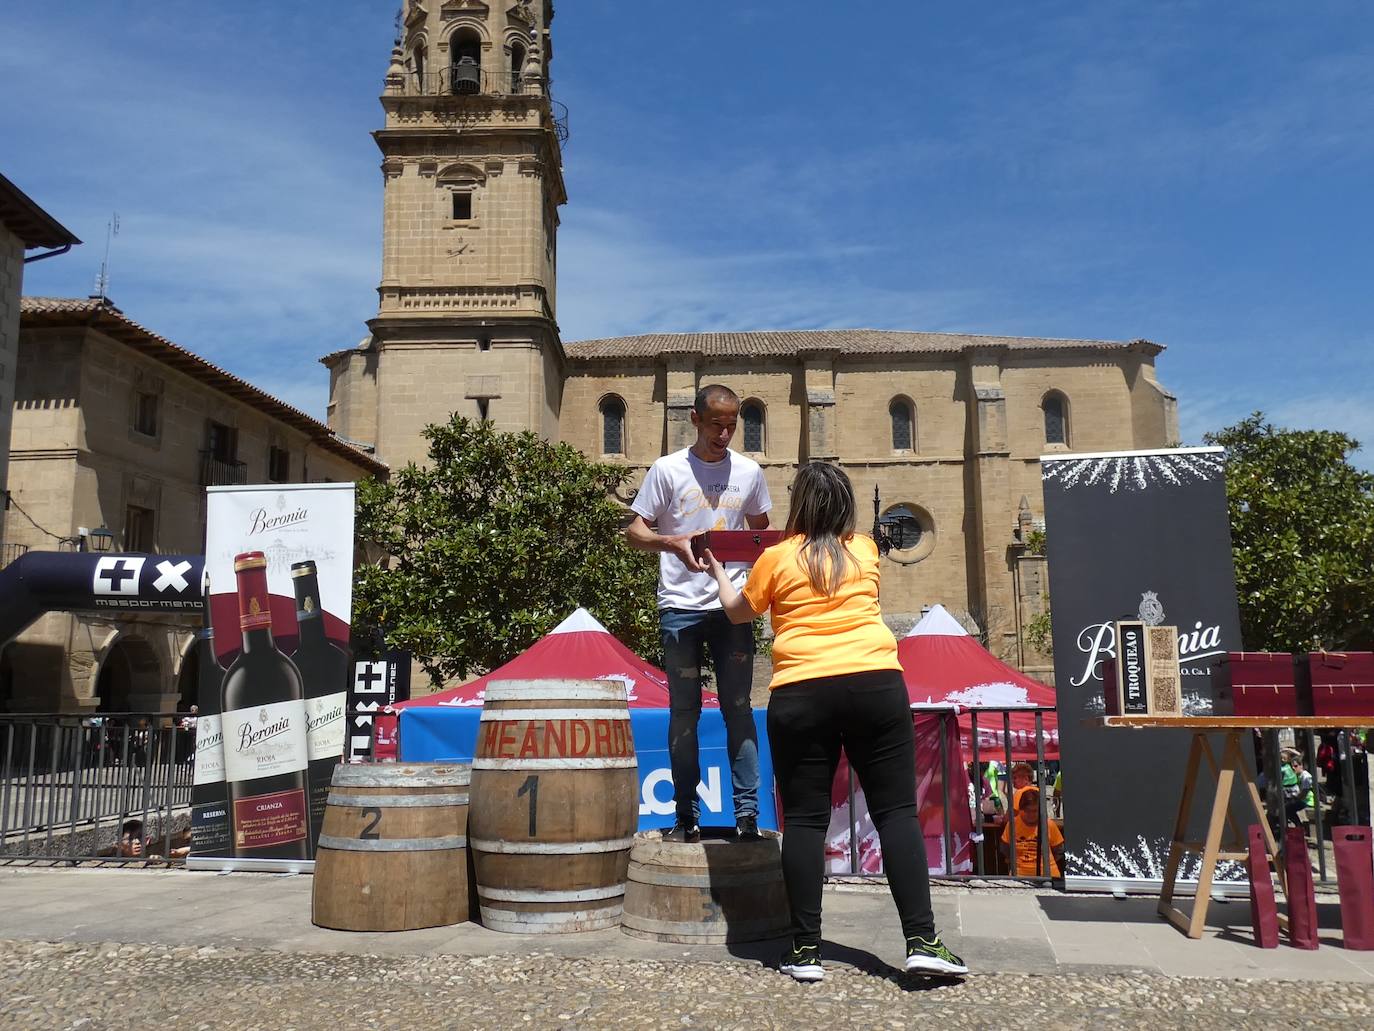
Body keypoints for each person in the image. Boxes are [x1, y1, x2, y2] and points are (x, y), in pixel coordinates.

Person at [704, 462, 967, 981]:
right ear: (846, 506)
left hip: (800, 689)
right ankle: (922, 941)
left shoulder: (775, 558)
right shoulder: (865, 549)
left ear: (798, 504)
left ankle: (805, 952)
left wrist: (717, 571)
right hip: (873, 680)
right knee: (895, 814)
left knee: (805, 820)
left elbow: (739, 612)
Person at [625, 384, 772, 842]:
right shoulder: (667, 469)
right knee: (683, 712)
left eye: (732, 426)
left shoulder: (749, 472)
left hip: (732, 607)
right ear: (695, 418)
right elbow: (634, 530)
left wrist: (753, 571)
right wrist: (671, 542)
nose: (724, 434)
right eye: (716, 425)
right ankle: (684, 817)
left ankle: (747, 817)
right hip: (681, 607)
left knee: (738, 709)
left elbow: (761, 532)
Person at [1001, 787, 1065, 877]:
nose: (1031, 814)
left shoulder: (1048, 824)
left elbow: (1059, 850)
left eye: (1034, 811)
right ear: (1021, 809)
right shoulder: (1013, 824)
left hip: (1047, 874)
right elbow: (1005, 848)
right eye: (1028, 811)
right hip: (1019, 873)